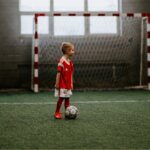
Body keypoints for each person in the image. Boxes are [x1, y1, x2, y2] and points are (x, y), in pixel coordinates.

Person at [54, 42, 75, 119]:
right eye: (72, 50)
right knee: (61, 98)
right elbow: (58, 73)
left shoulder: (70, 62)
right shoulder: (62, 61)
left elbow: (71, 74)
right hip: (62, 84)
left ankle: (67, 112)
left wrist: (71, 83)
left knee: (67, 99)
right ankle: (57, 112)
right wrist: (57, 83)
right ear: (67, 51)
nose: (74, 52)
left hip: (68, 84)